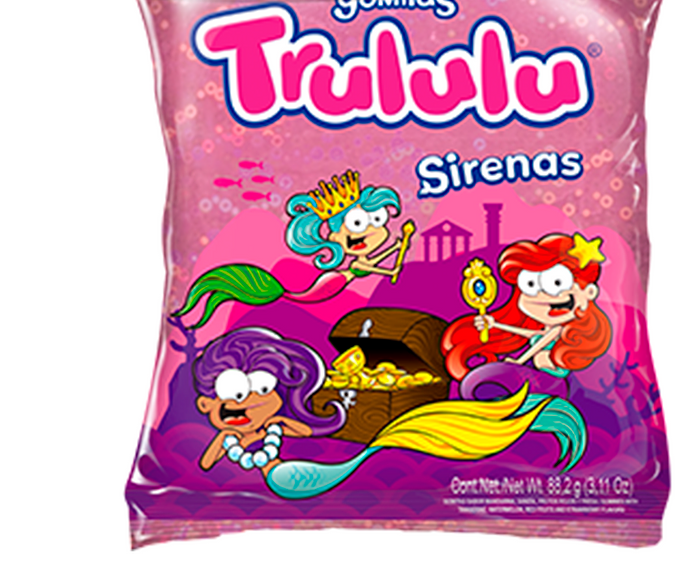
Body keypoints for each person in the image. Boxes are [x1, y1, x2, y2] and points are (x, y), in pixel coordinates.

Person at [175, 169, 414, 327]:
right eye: (358, 224)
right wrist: (392, 264)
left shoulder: (360, 261)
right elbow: (377, 267)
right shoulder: (357, 264)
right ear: (334, 235)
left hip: (338, 288)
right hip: (331, 286)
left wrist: (396, 247)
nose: (371, 231)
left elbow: (377, 263)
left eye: (378, 221)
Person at [442, 234, 612, 392]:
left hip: (552, 376)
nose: (542, 295)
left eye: (556, 283)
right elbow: (531, 334)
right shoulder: (545, 330)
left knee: (540, 357)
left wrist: (519, 362)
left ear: (590, 292)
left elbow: (540, 343)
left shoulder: (559, 330)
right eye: (530, 286)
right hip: (542, 378)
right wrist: (496, 325)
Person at [193, 327, 346, 475]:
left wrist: (282, 421)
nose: (249, 401)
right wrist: (222, 437)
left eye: (263, 389)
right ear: (205, 404)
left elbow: (306, 432)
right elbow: (206, 464)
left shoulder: (271, 429)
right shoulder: (230, 439)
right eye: (235, 393)